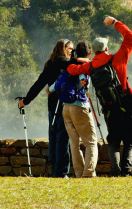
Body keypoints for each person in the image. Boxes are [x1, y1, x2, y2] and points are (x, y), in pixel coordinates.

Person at [67, 16, 132, 176]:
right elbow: (130, 37)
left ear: (93, 52)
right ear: (106, 48)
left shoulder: (90, 66)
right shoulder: (118, 58)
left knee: (113, 140)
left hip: (108, 108)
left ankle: (115, 170)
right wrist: (115, 22)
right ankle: (126, 171)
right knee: (129, 139)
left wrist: (78, 59)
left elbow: (71, 69)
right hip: (125, 104)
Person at [19, 39, 88, 177]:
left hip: (52, 106)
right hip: (63, 105)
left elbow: (38, 84)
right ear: (63, 48)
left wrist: (25, 101)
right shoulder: (64, 62)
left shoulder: (50, 64)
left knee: (54, 137)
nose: (72, 51)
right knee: (63, 138)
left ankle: (54, 170)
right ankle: (61, 172)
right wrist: (85, 59)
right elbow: (76, 64)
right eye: (70, 48)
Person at [52, 41, 98, 178]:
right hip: (80, 106)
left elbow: (52, 88)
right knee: (91, 142)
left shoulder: (69, 65)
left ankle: (79, 173)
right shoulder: (83, 66)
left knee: (74, 143)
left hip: (66, 107)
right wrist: (84, 81)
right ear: (90, 53)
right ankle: (88, 173)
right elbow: (84, 81)